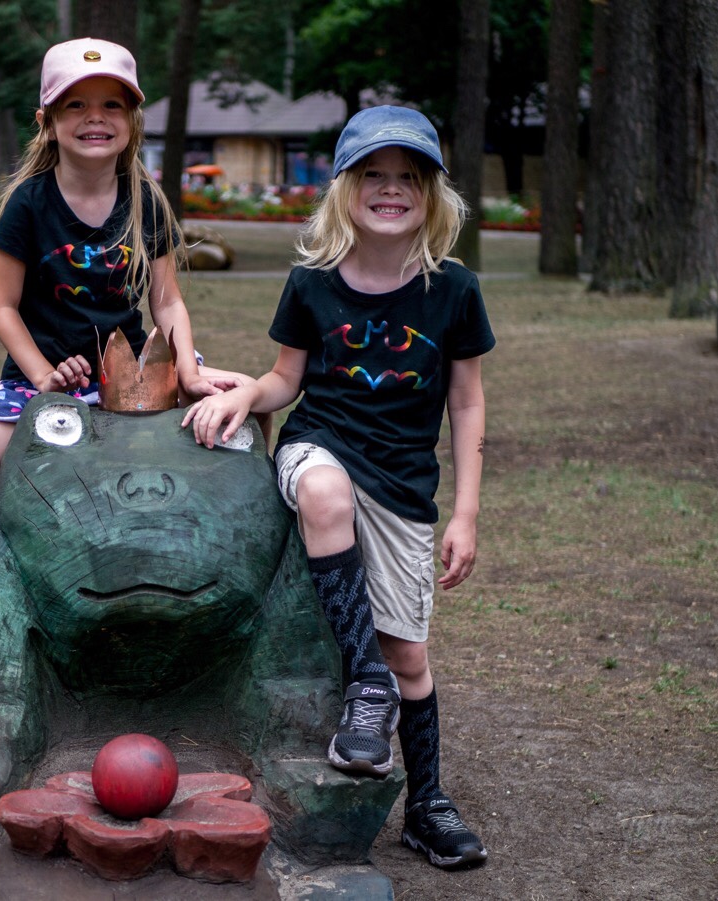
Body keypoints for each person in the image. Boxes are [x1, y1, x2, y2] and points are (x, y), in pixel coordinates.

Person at [182, 106, 495, 870]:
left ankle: (427, 804)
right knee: (324, 493)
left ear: (431, 194)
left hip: (403, 485)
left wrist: (464, 513)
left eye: (408, 177)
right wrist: (242, 394)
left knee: (409, 656)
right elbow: (285, 379)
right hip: (320, 446)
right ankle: (365, 687)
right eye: (373, 175)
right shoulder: (311, 283)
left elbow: (466, 402)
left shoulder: (454, 290)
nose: (390, 189)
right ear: (345, 191)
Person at [0, 37, 243, 497]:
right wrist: (44, 378)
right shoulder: (28, 204)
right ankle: (14, 480)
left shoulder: (146, 200)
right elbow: (1, 306)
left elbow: (168, 302)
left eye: (112, 105)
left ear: (132, 121)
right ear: (47, 123)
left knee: (246, 403)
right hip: (42, 381)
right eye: (75, 104)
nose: (95, 117)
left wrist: (188, 374)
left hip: (132, 379)